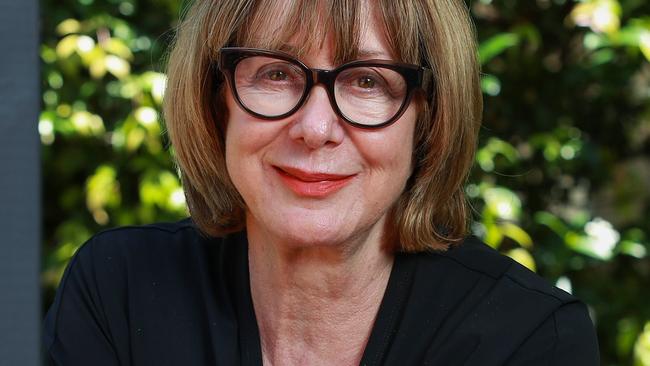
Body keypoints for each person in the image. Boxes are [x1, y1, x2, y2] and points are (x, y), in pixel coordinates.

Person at [42, 0, 600, 365]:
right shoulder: (119, 290)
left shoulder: (529, 342)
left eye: (366, 81)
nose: (314, 129)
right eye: (276, 73)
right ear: (216, 102)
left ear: (427, 118)